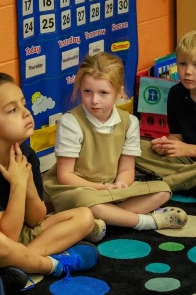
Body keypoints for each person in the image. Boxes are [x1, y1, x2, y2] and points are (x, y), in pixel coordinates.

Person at [0, 73, 100, 286]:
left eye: (23, 104)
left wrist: (26, 183)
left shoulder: (26, 154)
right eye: (12, 110)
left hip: (23, 237)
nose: (26, 113)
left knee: (85, 216)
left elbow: (36, 219)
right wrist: (17, 183)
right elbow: (7, 235)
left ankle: (20, 264)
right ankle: (52, 265)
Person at [44, 52, 188, 235]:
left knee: (163, 191)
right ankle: (145, 221)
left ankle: (98, 222)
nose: (94, 100)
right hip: (77, 189)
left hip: (110, 189)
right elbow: (65, 176)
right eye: (87, 91)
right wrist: (102, 189)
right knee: (89, 201)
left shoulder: (129, 122)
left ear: (118, 92)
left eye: (103, 93)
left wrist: (120, 185)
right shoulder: (71, 122)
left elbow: (127, 169)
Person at [136, 31, 196, 191]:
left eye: (195, 65)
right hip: (186, 162)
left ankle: (161, 184)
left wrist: (189, 149)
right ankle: (176, 182)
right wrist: (166, 144)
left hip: (190, 157)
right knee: (135, 147)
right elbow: (176, 136)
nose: (188, 72)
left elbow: (186, 147)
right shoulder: (176, 93)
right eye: (183, 64)